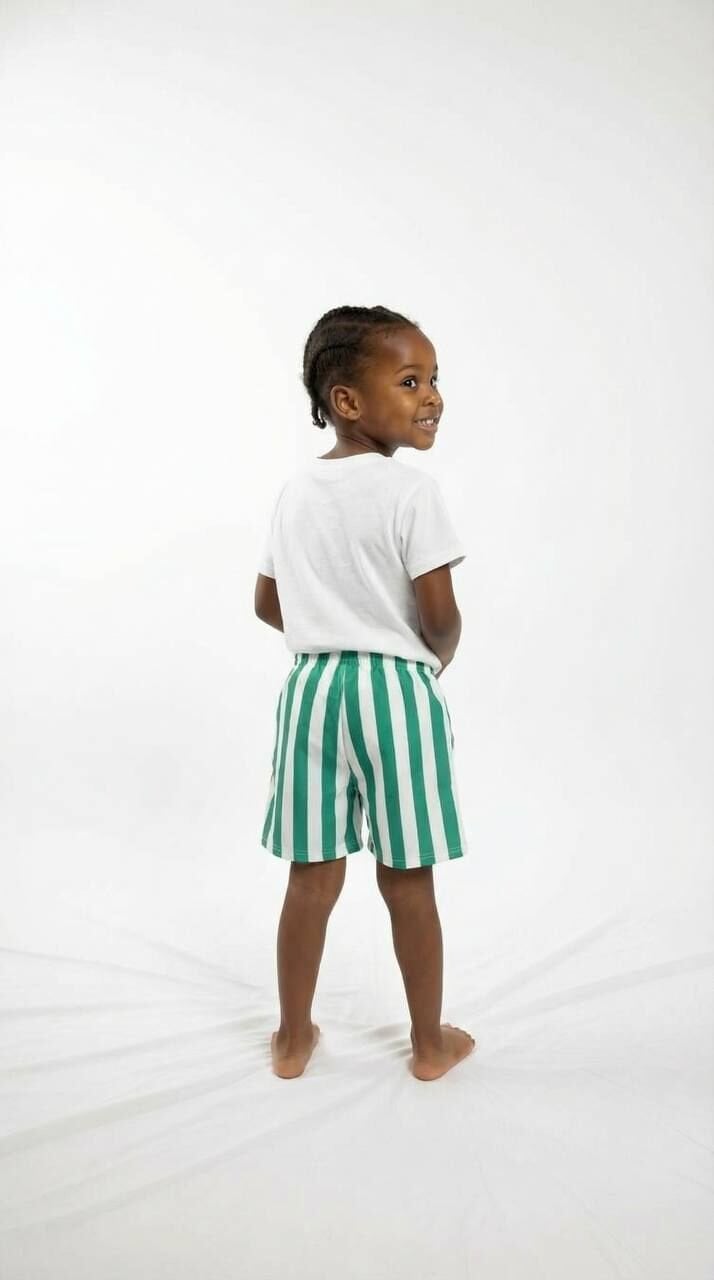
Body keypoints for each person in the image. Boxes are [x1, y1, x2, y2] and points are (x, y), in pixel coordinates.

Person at [254, 304, 476, 1082]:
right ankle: (428, 1045)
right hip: (396, 691)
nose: (432, 396)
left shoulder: (295, 491)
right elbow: (441, 616)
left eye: (434, 379)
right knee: (407, 877)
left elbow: (267, 603)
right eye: (410, 381)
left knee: (311, 875)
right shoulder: (412, 494)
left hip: (312, 691)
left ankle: (292, 1038)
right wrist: (431, 660)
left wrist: (327, 626)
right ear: (346, 400)